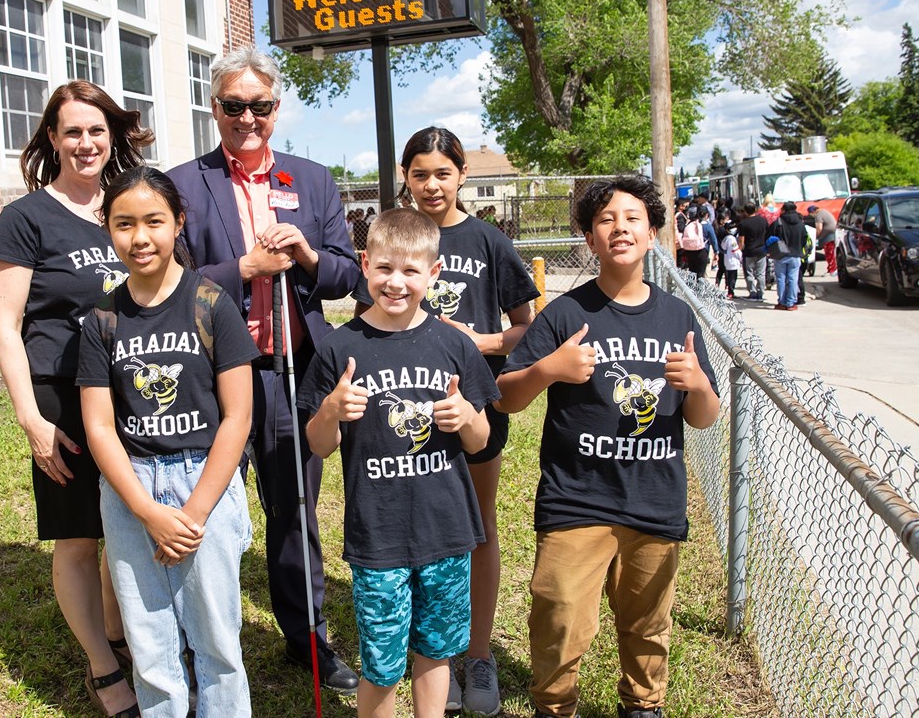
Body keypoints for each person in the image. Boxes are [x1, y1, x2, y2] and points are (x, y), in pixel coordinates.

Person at [167, 45, 363, 691]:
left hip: (292, 369)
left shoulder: (311, 180)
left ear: (275, 108)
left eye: (258, 106)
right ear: (213, 107)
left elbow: (346, 275)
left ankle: (306, 638)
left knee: (293, 505)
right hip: (213, 375)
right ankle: (199, 641)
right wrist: (242, 270)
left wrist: (306, 253)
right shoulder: (185, 184)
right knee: (207, 507)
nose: (246, 118)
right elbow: (168, 283)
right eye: (232, 106)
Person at [493, 174, 720, 718]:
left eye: (632, 218)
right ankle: (555, 703)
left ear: (653, 233)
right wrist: (549, 369)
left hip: (653, 499)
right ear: (590, 240)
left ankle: (643, 703)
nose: (620, 227)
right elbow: (505, 397)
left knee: (648, 619)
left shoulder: (676, 316)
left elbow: (705, 418)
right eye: (605, 220)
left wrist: (699, 384)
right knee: (559, 610)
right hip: (577, 498)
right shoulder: (568, 314)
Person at [352, 126, 538, 714]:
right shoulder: (395, 237)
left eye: (442, 173)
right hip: (402, 414)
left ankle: (475, 655)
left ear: (462, 174)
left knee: (474, 525)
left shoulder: (488, 241)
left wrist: (478, 343)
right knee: (421, 530)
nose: (431, 185)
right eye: (419, 173)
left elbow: (527, 328)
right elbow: (368, 317)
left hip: (468, 405)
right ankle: (435, 662)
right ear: (405, 177)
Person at [0, 80, 152, 717]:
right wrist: (30, 418)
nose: (86, 142)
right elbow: (6, 326)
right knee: (80, 537)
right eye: (72, 131)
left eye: (97, 130)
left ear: (114, 138)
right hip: (61, 396)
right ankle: (104, 668)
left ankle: (120, 631)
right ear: (52, 139)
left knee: (125, 525)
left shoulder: (127, 204)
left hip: (133, 391)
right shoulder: (27, 218)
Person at [298, 207, 500, 718]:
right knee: (383, 664)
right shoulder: (339, 349)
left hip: (447, 532)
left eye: (411, 271)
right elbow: (318, 444)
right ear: (365, 264)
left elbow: (481, 441)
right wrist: (330, 410)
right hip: (378, 538)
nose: (396, 282)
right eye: (385, 268)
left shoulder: (454, 344)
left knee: (435, 654)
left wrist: (466, 418)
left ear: (433, 274)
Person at [78, 167, 259, 717]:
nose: (140, 238)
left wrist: (195, 512)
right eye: (123, 223)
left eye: (154, 221)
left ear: (178, 222)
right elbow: (99, 427)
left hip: (204, 481)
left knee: (217, 643)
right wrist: (145, 510)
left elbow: (237, 417)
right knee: (150, 644)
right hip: (132, 489)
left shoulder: (212, 304)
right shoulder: (102, 319)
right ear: (106, 229)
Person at [768, 201, 808, 311]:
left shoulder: (778, 222)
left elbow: (768, 236)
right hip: (795, 255)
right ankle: (791, 303)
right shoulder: (800, 223)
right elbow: (805, 238)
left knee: (781, 278)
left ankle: (782, 302)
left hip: (780, 255)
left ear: (784, 210)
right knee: (793, 278)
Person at [736, 202, 770, 302]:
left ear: (745, 211)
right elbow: (767, 235)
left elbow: (741, 239)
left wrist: (740, 249)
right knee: (761, 273)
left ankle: (752, 292)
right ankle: (760, 293)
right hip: (762, 250)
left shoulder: (743, 223)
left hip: (749, 251)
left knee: (749, 273)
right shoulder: (763, 221)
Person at [677, 205, 709, 279]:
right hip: (701, 251)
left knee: (692, 274)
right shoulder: (702, 225)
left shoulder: (688, 225)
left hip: (689, 252)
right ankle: (700, 290)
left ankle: (692, 289)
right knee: (701, 274)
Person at [807, 204, 838, 275]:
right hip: (833, 233)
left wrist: (816, 237)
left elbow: (819, 228)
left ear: (812, 212)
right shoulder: (824, 211)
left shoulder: (818, 215)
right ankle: (831, 269)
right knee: (831, 252)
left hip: (828, 236)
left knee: (829, 252)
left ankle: (832, 270)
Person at [719, 221, 742, 299]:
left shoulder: (726, 238)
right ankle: (731, 292)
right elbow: (735, 250)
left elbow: (723, 247)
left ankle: (729, 290)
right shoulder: (732, 239)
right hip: (733, 261)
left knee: (729, 276)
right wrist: (741, 257)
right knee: (732, 277)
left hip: (727, 260)